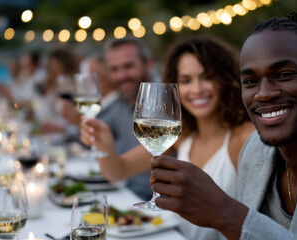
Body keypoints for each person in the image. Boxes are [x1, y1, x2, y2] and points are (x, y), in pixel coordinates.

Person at [149, 12, 297, 239]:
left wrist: (227, 213)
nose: (264, 94)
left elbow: (237, 223)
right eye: (250, 81)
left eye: (284, 75)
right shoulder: (254, 150)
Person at [81, 35, 255, 239]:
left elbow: (255, 223)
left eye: (207, 77)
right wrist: (105, 145)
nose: (197, 89)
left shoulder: (245, 137)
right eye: (186, 80)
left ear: (225, 79)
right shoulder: (183, 136)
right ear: (175, 86)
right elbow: (118, 170)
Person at [81, 37, 156, 200]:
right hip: (128, 193)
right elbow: (97, 136)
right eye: (114, 69)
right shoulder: (121, 103)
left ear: (148, 64)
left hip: (162, 203)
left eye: (128, 66)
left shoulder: (167, 105)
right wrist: (90, 133)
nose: (121, 75)